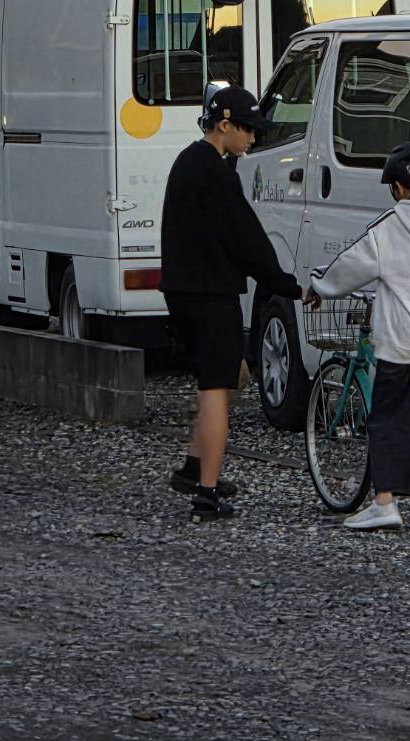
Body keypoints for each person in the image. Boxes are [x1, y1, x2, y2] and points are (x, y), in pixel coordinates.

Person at [305, 141, 410, 532]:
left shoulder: (391, 227)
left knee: (387, 414)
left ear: (400, 188)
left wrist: (319, 286)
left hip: (404, 337)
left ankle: (385, 502)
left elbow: (348, 266)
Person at [160, 84, 303, 522]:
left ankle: (192, 466)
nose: (254, 140)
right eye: (249, 130)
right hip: (209, 296)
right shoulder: (214, 172)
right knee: (216, 392)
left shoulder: (193, 162)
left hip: (186, 291)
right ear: (225, 124)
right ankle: (206, 493)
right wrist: (285, 284)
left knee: (233, 373)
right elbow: (246, 238)